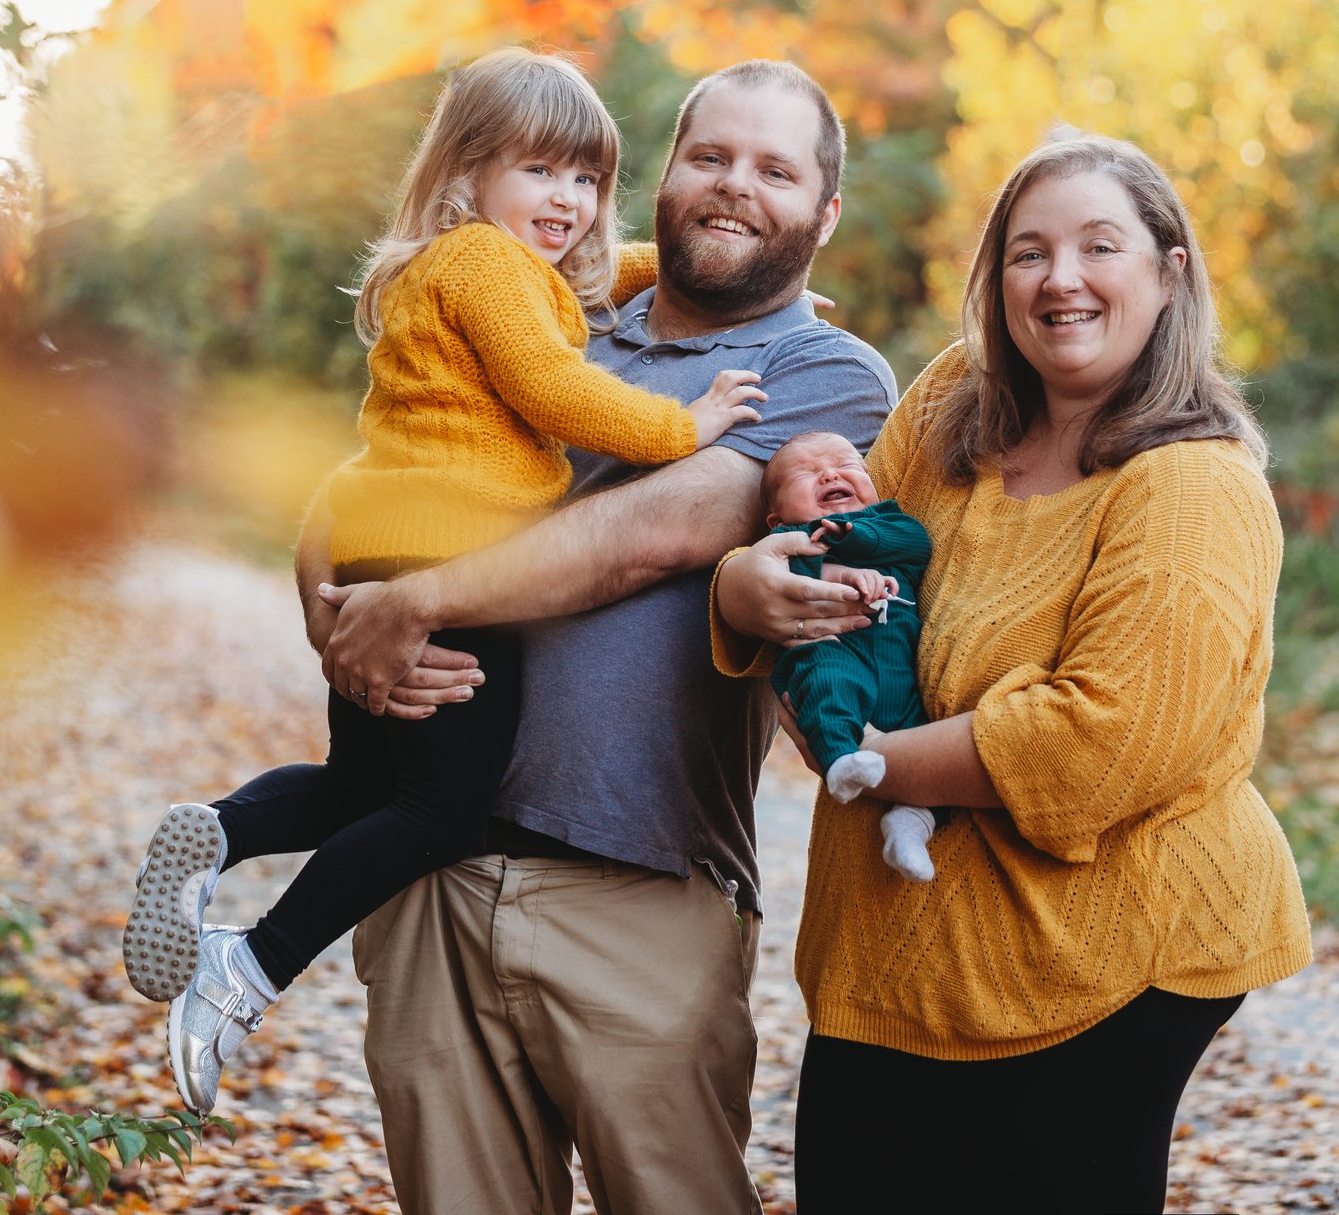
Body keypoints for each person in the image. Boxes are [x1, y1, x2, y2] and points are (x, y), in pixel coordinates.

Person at [121, 48, 766, 1114]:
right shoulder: (487, 267)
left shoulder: (469, 262)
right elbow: (559, 388)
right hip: (449, 558)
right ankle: (253, 963)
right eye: (541, 172)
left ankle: (221, 829)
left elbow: (598, 275)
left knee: (368, 784)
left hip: (387, 539)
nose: (567, 200)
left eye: (586, 179)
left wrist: (674, 267)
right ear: (470, 171)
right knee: (448, 806)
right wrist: (682, 427)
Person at [303, 59, 896, 1215]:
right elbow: (349, 492)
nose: (734, 187)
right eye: (710, 155)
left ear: (823, 214)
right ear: (664, 173)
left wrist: (422, 599)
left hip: (640, 886)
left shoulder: (815, 370)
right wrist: (343, 627)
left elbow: (658, 528)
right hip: (432, 874)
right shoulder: (539, 306)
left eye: (776, 170)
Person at [714, 131, 1313, 1214]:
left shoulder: (1191, 488)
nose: (1061, 279)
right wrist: (742, 596)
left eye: (1099, 246)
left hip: (1094, 954)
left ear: (1169, 270)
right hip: (896, 952)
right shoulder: (953, 405)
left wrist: (865, 755)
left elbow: (1095, 742)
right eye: (1028, 252)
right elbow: (842, 578)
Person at [754, 430, 938, 880]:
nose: (830, 473)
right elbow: (779, 572)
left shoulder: (891, 525)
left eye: (846, 463)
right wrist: (835, 570)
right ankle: (839, 761)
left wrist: (854, 536)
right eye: (806, 472)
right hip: (831, 648)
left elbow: (916, 545)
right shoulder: (789, 540)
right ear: (776, 519)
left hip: (900, 664)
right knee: (829, 688)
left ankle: (912, 822)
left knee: (924, 732)